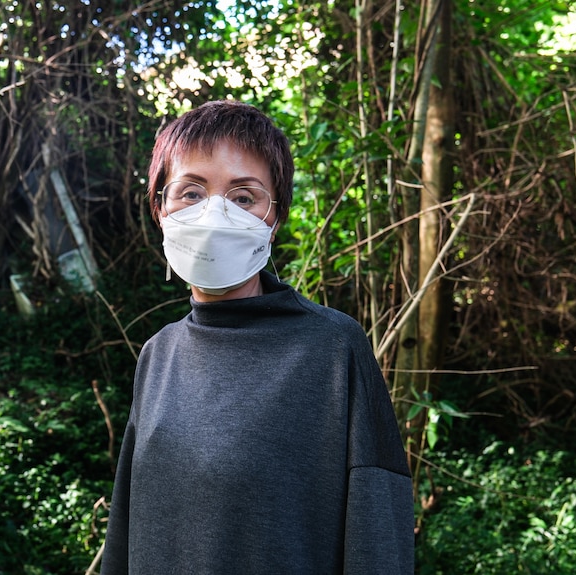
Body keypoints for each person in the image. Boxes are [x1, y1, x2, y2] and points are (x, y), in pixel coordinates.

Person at [99, 100, 413, 574]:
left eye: (243, 198)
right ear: (160, 209)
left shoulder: (333, 348)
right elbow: (127, 526)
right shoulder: (158, 354)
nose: (214, 214)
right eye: (191, 192)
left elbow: (379, 534)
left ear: (275, 219)